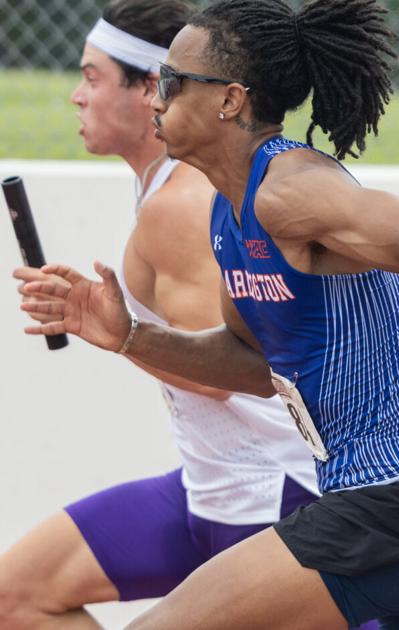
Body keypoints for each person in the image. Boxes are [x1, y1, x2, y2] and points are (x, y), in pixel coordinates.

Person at [18, 0, 399, 627]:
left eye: (175, 83)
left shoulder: (287, 190)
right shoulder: (229, 211)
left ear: (230, 100)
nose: (158, 98)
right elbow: (255, 365)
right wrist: (128, 335)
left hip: (391, 499)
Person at [0, 2, 327, 628]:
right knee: (17, 594)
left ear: (151, 88)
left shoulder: (179, 203)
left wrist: (117, 333)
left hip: (266, 500)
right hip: (208, 489)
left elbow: (225, 372)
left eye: (93, 78)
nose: (76, 96)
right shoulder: (163, 188)